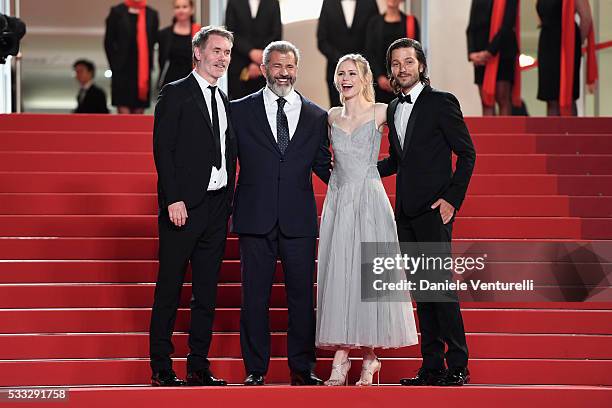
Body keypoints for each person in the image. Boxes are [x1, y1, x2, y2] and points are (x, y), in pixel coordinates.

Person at [230, 40, 332, 386]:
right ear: (264, 69)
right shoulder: (240, 110)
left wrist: (356, 184)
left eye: (289, 67)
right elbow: (228, 165)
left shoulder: (317, 115)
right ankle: (255, 369)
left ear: (296, 70)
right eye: (277, 66)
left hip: (298, 220)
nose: (283, 73)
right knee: (254, 298)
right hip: (254, 217)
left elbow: (323, 165)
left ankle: (302, 369)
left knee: (302, 299)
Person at [377, 38, 476, 387]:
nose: (402, 68)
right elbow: (398, 160)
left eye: (408, 61)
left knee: (441, 289)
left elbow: (467, 154)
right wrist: (361, 168)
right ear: (391, 69)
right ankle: (432, 366)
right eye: (396, 63)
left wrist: (452, 199)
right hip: (405, 212)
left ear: (421, 65)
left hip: (435, 211)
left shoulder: (441, 103)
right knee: (422, 290)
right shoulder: (393, 108)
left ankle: (458, 365)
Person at [316, 53, 418, 387]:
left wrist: (376, 171)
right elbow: (320, 158)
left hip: (370, 201)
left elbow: (407, 147)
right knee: (343, 277)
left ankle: (347, 359)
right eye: (340, 73)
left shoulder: (381, 111)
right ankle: (366, 358)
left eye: (351, 73)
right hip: (339, 201)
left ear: (364, 78)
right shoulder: (330, 117)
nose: (345, 78)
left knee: (368, 281)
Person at [150, 26, 237, 387]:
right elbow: (163, 150)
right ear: (198, 53)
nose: (223, 58)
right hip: (183, 207)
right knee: (170, 288)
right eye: (216, 50)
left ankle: (198, 365)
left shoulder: (226, 99)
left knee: (206, 291)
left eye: (228, 52)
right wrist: (173, 198)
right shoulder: (175, 93)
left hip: (217, 207)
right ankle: (161, 368)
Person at [537, 0, 597, 116]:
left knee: (568, 97)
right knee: (550, 98)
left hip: (566, 46)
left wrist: (576, 42)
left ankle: (570, 133)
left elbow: (586, 18)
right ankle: (551, 134)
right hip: (547, 44)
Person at [317, 0, 379, 107]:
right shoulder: (328, 3)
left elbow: (375, 36)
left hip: (362, 72)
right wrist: (343, 61)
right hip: (335, 70)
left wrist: (359, 62)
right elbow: (322, 40)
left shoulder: (369, 2)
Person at [466, 0, 519, 116]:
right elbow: (471, 27)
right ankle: (488, 133)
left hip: (502, 52)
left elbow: (507, 25)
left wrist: (489, 52)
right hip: (480, 56)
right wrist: (472, 53)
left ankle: (505, 133)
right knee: (486, 101)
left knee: (502, 98)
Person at [104, 0, 158, 114]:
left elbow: (153, 42)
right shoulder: (117, 12)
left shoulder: (152, 14)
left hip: (142, 73)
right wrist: (115, 65)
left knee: (139, 114)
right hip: (122, 71)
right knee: (123, 113)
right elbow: (108, 42)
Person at [225, 0, 282, 100]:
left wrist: (259, 60)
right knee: (238, 110)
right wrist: (250, 52)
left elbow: (276, 34)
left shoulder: (273, 2)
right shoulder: (233, 2)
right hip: (239, 67)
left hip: (265, 67)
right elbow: (230, 33)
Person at [365, 0, 420, 103]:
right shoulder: (374, 23)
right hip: (379, 85)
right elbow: (370, 53)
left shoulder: (411, 22)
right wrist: (379, 77)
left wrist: (399, 78)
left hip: (404, 82)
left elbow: (415, 54)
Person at [158, 0, 201, 89]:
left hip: (192, 84)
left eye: (184, 7)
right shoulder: (164, 34)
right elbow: (161, 60)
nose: (181, 10)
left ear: (192, 9)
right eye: (177, 7)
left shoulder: (200, 33)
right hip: (170, 84)